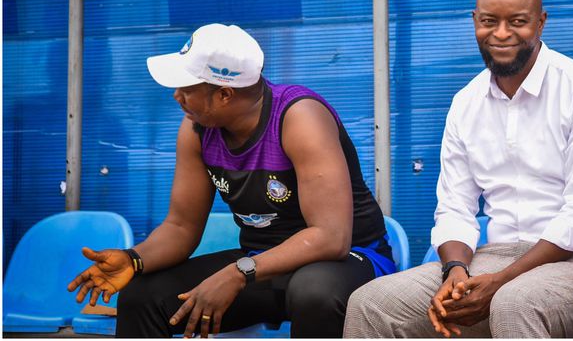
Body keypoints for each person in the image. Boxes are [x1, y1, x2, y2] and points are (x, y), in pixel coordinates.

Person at [343, 0, 573, 338]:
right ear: (475, 21)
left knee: (514, 302)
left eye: (517, 21)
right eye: (488, 21)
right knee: (371, 303)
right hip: (498, 257)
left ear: (541, 22)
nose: (500, 33)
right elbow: (454, 208)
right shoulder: (466, 103)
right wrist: (456, 272)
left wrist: (500, 282)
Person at [67, 23, 396, 338]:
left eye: (187, 88)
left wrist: (239, 272)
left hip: (348, 260)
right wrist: (133, 258)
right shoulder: (196, 129)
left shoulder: (299, 117)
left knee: (314, 292)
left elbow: (331, 238)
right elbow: (181, 227)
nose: (177, 96)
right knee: (142, 296)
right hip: (262, 263)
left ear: (224, 94)